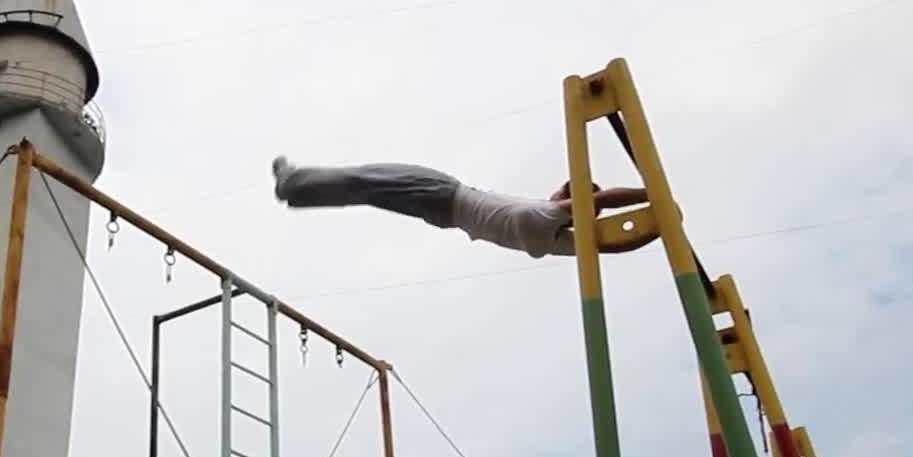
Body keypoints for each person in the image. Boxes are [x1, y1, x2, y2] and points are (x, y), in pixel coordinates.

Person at [270, 156, 657, 259]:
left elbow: (601, 203)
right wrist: (657, 229)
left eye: (563, 193)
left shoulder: (544, 216)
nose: (555, 192)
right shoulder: (553, 241)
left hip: (442, 193)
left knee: (367, 179)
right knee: (366, 190)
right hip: (445, 213)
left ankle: (294, 184)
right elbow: (608, 246)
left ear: (570, 204)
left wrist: (652, 195)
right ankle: (298, 193)